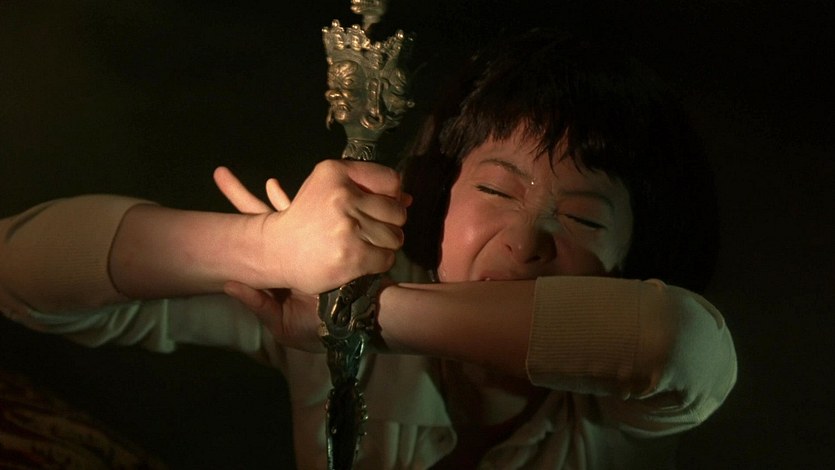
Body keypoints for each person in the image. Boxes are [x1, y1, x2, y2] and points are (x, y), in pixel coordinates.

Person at [0, 29, 736, 468]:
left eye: (581, 219)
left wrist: (359, 316)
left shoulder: (614, 415)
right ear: (440, 197)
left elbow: (676, 347)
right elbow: (21, 274)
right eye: (496, 190)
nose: (525, 241)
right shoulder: (318, 312)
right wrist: (263, 248)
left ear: (633, 259)